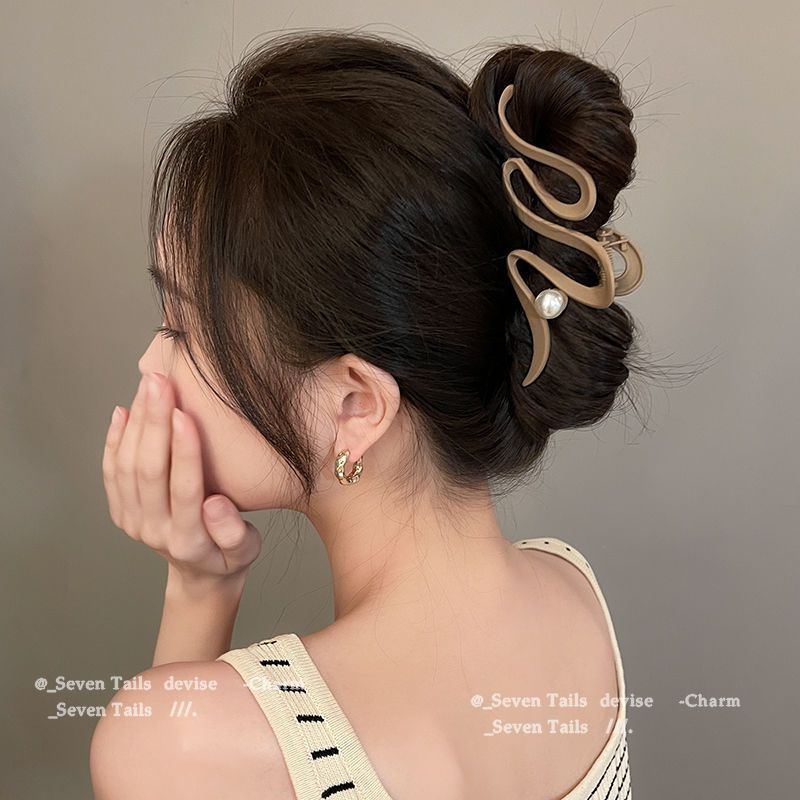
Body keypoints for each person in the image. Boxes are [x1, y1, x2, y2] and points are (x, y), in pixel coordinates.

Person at [90, 29, 649, 799]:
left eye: (182, 329)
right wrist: (202, 577)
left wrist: (195, 595)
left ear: (356, 406)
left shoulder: (183, 743)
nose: (151, 365)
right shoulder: (573, 593)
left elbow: (171, 755)